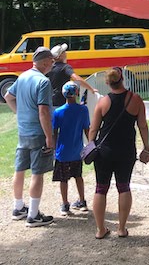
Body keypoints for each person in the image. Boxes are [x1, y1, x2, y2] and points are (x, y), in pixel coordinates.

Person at [88, 66, 149, 239]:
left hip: (104, 151)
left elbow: (93, 129)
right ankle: (122, 228)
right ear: (123, 79)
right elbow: (143, 126)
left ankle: (100, 229)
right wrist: (146, 147)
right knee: (124, 187)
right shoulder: (136, 100)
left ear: (107, 83)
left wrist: (89, 146)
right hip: (126, 150)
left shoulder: (103, 102)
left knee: (101, 188)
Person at [4, 47, 55, 227]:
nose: (53, 64)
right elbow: (43, 111)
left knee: (19, 170)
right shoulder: (43, 82)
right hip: (38, 132)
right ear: (44, 62)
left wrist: (20, 114)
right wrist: (49, 136)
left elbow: (8, 96)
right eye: (51, 61)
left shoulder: (23, 76)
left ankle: (18, 208)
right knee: (37, 173)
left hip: (23, 131)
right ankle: (33, 215)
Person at [52, 81, 90, 215]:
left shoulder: (58, 112)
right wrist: (91, 144)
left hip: (62, 152)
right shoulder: (83, 110)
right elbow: (87, 129)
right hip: (77, 151)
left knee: (63, 179)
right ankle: (82, 201)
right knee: (78, 176)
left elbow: (54, 132)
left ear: (63, 94)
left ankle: (65, 204)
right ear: (77, 93)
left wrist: (53, 147)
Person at [47, 43, 97, 108]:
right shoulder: (65, 67)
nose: (66, 53)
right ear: (60, 56)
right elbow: (76, 78)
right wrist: (91, 89)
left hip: (51, 101)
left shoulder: (49, 68)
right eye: (64, 52)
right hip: (63, 101)